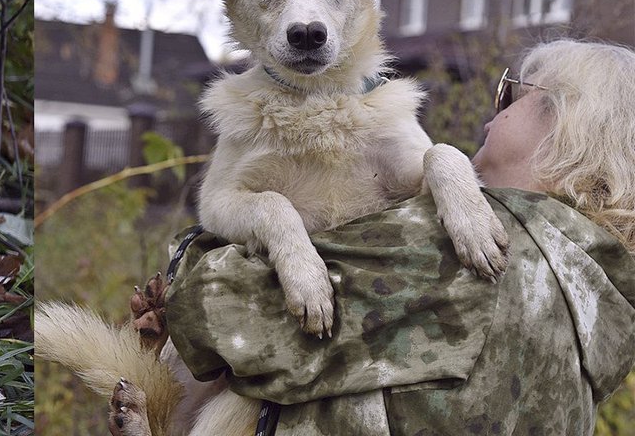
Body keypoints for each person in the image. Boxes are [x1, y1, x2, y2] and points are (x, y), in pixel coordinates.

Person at [163, 38, 635, 435]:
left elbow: (219, 316)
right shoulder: (593, 287)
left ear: (567, 121)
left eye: (509, 96)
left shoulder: (490, 249)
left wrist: (183, 267)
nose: (491, 118)